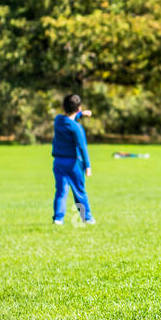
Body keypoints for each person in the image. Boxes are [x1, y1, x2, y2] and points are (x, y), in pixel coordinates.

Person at [51, 93, 95, 225]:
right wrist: (88, 166)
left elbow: (68, 119)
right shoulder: (77, 128)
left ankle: (58, 218)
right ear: (79, 108)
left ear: (63, 107)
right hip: (73, 163)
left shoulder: (58, 120)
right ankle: (86, 217)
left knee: (61, 192)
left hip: (58, 162)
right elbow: (82, 148)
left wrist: (81, 114)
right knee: (79, 191)